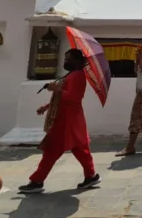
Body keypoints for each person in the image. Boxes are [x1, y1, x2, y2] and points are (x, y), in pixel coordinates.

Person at [19, 48, 99, 193]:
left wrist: (55, 89)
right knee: (80, 149)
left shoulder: (77, 75)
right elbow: (63, 96)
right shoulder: (73, 74)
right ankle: (91, 176)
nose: (65, 61)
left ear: (76, 61)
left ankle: (37, 181)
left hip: (66, 119)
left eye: (68, 59)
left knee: (52, 150)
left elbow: (73, 98)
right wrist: (47, 106)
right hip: (70, 117)